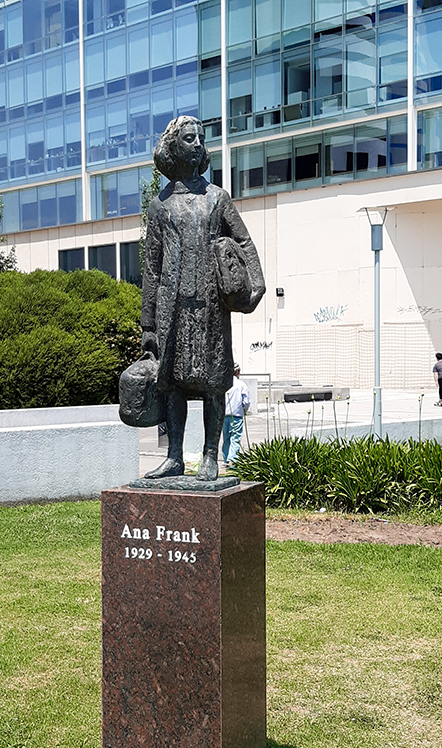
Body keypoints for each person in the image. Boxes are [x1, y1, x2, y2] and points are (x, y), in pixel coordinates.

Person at [140, 116, 265, 481]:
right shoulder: (160, 205)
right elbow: (152, 268)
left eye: (200, 138)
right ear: (173, 147)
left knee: (214, 382)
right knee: (172, 384)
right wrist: (148, 325)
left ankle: (211, 455)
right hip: (172, 309)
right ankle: (174, 456)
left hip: (210, 307)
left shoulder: (217, 198)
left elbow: (244, 241)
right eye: (188, 138)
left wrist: (254, 285)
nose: (196, 144)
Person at [222, 364, 250, 466]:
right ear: (237, 372)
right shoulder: (241, 385)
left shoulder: (223, 383)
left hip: (224, 415)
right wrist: (244, 411)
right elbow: (246, 401)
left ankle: (226, 459)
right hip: (237, 415)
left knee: (226, 438)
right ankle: (233, 459)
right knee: (235, 437)